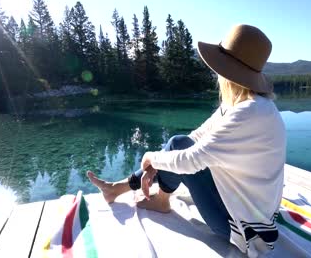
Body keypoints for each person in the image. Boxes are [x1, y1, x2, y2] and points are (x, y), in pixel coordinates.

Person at [87, 24, 286, 257]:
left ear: (228, 72)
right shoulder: (253, 107)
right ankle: (124, 189)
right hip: (256, 215)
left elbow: (191, 159)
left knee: (178, 147)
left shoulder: (248, 112)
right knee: (178, 143)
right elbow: (195, 138)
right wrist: (157, 163)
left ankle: (142, 196)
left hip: (241, 228)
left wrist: (151, 157)